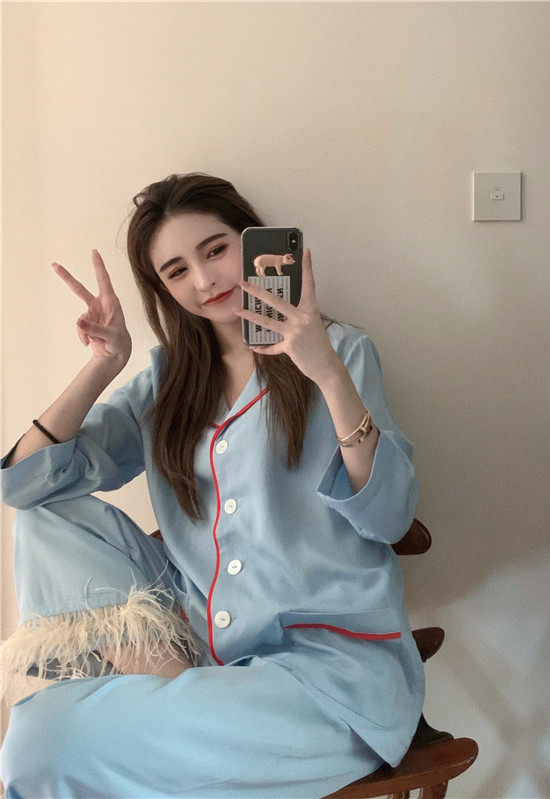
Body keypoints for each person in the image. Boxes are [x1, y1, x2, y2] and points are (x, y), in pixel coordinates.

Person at [0, 173, 425, 798]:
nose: (204, 280)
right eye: (176, 271)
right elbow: (26, 485)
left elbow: (389, 517)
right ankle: (171, 683)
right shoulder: (166, 380)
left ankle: (167, 701)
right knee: (43, 529)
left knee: (48, 750)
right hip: (199, 650)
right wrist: (102, 365)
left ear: (251, 242)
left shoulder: (341, 352)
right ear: (163, 291)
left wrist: (328, 377)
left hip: (325, 678)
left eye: (215, 249)